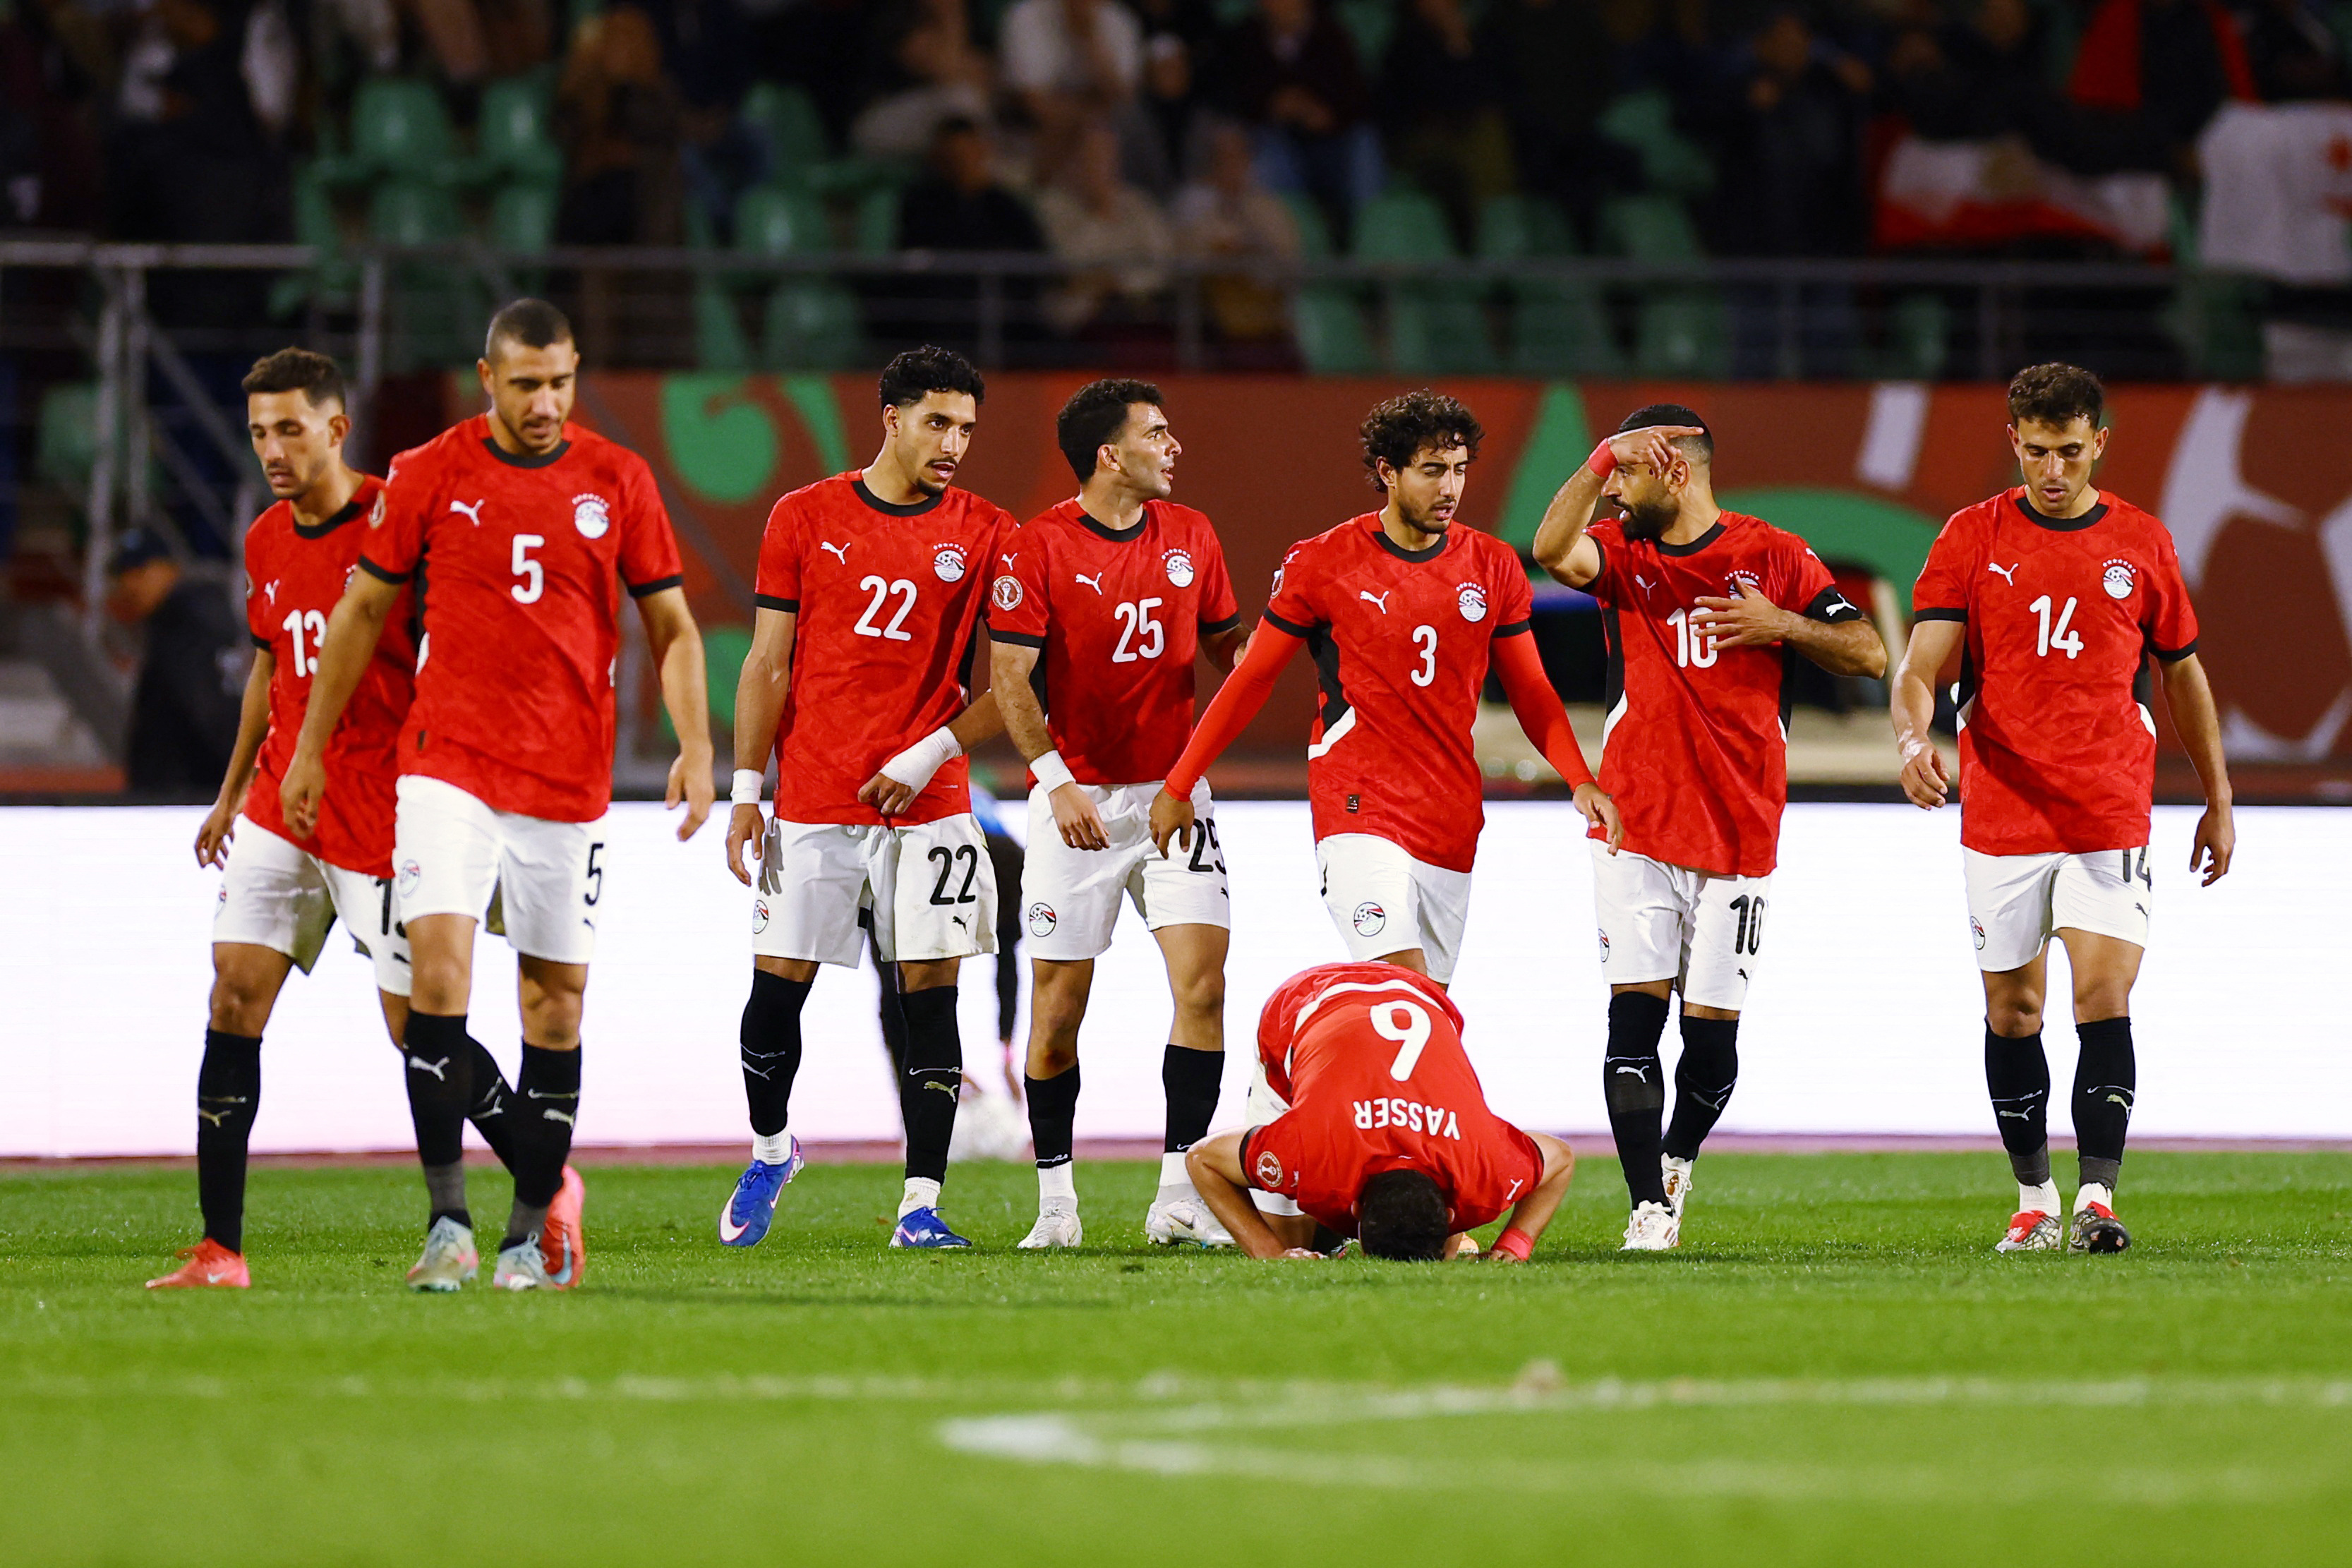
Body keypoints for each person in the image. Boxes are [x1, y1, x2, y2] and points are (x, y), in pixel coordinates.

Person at [282, 298, 714, 1292]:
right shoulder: (431, 472)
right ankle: (447, 1223)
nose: (545, 403)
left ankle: (529, 1234)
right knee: (434, 984)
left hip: (567, 781)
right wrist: (310, 748)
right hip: (449, 766)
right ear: (488, 378)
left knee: (552, 1008)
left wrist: (696, 744)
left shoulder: (619, 477)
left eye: (560, 381)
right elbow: (359, 613)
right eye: (526, 384)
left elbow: (677, 627)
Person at [147, 351, 519, 1288]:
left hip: (381, 804)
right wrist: (232, 792)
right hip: (283, 798)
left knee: (414, 1025)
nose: (273, 448)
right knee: (233, 993)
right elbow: (273, 669)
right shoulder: (266, 536)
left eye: (291, 428)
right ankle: (220, 1248)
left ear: (337, 427)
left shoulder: (405, 522)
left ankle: (544, 1176)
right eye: (261, 431)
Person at [1890, 362, 2234, 1255]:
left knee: (2104, 993)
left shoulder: (2143, 545)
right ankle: (2035, 1196)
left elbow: (2182, 673)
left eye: (2071, 452)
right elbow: (1920, 667)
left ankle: (2098, 1200)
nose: (2054, 470)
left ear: (2101, 444)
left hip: (2108, 807)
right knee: (2013, 1012)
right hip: (2003, 808)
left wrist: (2218, 794)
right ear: (2015, 441)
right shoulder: (1971, 537)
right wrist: (1911, 740)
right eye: (2039, 451)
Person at [1532, 406, 1886, 1252]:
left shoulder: (1773, 555)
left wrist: (1783, 626)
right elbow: (1550, 549)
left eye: (1628, 473)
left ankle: (1679, 1157)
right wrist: (1594, 460)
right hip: (1636, 821)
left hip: (1739, 826)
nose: (1613, 491)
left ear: (1677, 471)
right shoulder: (1624, 556)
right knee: (1630, 1022)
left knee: (1712, 1043)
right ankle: (1648, 1204)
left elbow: (1870, 652)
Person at [1150, 390, 1619, 990]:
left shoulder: (1493, 564)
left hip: (1449, 814)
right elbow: (1252, 680)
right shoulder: (1321, 561)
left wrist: (1579, 780)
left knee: (1426, 1010)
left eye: (1458, 471)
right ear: (1387, 473)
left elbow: (1530, 688)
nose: (1449, 488)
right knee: (1399, 983)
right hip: (1357, 806)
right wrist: (1178, 783)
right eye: (1431, 472)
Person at [719, 346, 1016, 1252]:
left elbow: (1014, 685)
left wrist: (930, 754)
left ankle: (919, 1205)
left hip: (934, 805)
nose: (954, 443)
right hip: (814, 796)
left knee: (931, 997)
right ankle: (774, 1149)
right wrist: (745, 791)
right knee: (776, 998)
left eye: (966, 427)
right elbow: (767, 661)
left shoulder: (990, 530)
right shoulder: (803, 516)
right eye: (937, 422)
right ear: (890, 418)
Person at [988, 379, 1246, 1249]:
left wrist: (1271, 646)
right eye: (1158, 434)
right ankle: (1056, 1202)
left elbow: (1225, 644)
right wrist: (1055, 780)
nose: (1175, 448)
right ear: (1111, 454)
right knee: (1057, 1012)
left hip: (1178, 796)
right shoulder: (1039, 547)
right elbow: (1009, 680)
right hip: (1079, 803)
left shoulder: (1195, 534)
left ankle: (1179, 1191)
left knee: (1201, 988)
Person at [1186, 960, 1576, 1261]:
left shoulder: (1483, 1165)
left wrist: (1516, 1244)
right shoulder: (1310, 1148)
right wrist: (1271, 1254)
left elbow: (1559, 1159)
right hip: (1305, 1003)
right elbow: (1203, 1160)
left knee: (1293, 1239)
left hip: (1419, 996)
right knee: (1290, 1240)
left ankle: (1348, 1229)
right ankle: (1332, 1232)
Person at [109, 527, 243, 798]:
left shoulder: (189, 626)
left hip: (188, 794)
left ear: (170, 568)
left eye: (140, 571)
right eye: (125, 575)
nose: (131, 584)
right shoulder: (183, 621)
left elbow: (211, 714)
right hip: (188, 792)